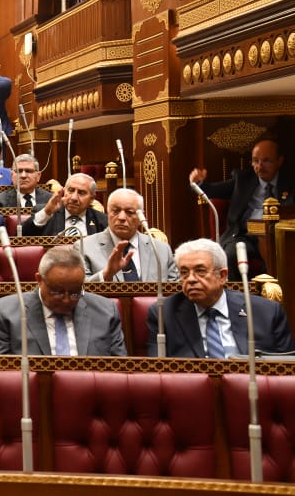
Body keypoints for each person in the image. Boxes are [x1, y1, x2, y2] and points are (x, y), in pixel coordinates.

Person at [147, 238, 294, 358]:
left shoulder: (266, 312)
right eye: (184, 272)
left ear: (222, 276)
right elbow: (157, 372)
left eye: (200, 271)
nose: (190, 279)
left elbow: (286, 369)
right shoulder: (163, 313)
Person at [0, 245, 126, 356]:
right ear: (39, 280)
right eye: (57, 292)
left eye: (74, 293)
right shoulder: (6, 313)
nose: (66, 300)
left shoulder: (106, 312)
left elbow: (120, 369)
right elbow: (0, 372)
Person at [189, 137, 294, 276]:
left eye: (266, 161)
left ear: (279, 161)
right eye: (255, 161)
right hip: (243, 236)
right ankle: (236, 291)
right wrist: (198, 182)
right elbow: (211, 190)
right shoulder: (243, 180)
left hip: (277, 237)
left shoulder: (290, 183)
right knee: (231, 255)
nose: (260, 166)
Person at [80, 188, 179, 282]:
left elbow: (174, 289)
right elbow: (80, 288)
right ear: (108, 213)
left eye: (129, 212)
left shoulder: (161, 250)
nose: (121, 217)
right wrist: (106, 274)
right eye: (116, 211)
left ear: (141, 217)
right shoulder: (84, 247)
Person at [22, 172, 107, 237]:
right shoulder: (46, 213)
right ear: (64, 191)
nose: (74, 198)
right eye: (71, 190)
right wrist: (47, 212)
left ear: (92, 199)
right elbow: (22, 236)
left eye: (81, 193)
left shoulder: (102, 221)